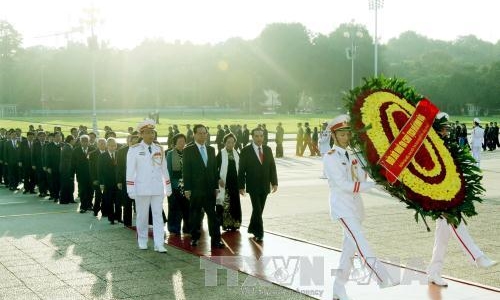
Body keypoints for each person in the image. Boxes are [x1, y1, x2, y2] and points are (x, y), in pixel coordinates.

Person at [324, 114, 398, 300]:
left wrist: (380, 176)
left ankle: (338, 288)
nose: (345, 137)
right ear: (333, 135)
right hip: (342, 208)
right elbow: (342, 185)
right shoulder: (330, 157)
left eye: (348, 133)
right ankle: (382, 277)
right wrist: (372, 185)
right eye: (341, 134)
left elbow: (365, 175)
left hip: (356, 207)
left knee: (349, 250)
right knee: (360, 241)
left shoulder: (354, 154)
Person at [427, 113, 497, 287]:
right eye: (443, 128)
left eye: (447, 128)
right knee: (456, 224)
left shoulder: (447, 146)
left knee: (441, 239)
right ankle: (478, 257)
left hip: (450, 194)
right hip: (439, 198)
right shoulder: (430, 148)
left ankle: (434, 272)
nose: (446, 131)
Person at [126, 119, 172, 253]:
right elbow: (130, 171)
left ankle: (159, 243)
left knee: (158, 216)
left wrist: (167, 186)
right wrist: (130, 189)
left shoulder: (159, 149)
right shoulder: (134, 150)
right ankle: (142, 240)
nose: (151, 135)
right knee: (142, 216)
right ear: (141, 134)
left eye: (152, 132)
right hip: (141, 188)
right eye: (147, 133)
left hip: (157, 188)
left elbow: (164, 169)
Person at [182, 124, 224, 248]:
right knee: (195, 215)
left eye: (204, 133)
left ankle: (216, 239)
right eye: (199, 133)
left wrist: (216, 186)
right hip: (195, 189)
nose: (202, 135)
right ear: (194, 135)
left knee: (213, 216)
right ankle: (195, 237)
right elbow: (186, 171)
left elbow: (213, 170)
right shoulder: (188, 150)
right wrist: (187, 189)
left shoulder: (211, 149)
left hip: (210, 189)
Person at [238, 127, 278, 242]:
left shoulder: (268, 149)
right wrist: (241, 186)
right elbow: (241, 170)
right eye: (256, 136)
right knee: (257, 208)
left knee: (259, 210)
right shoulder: (246, 151)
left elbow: (272, 167)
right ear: (252, 137)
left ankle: (252, 228)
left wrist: (274, 182)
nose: (259, 138)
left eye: (261, 136)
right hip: (253, 185)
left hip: (265, 185)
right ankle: (260, 233)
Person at [216, 133, 242, 231]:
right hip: (224, 184)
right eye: (228, 142)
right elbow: (215, 168)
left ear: (235, 143)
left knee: (234, 204)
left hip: (235, 184)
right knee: (225, 204)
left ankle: (235, 224)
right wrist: (218, 179)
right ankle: (225, 224)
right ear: (225, 143)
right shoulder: (221, 154)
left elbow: (241, 169)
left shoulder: (237, 154)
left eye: (232, 142)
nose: (230, 144)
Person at [166, 133, 190, 235]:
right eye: (179, 142)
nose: (182, 144)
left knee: (187, 208)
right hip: (175, 185)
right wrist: (169, 186)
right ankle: (173, 229)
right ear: (175, 143)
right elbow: (168, 171)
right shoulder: (170, 154)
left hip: (187, 186)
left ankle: (188, 228)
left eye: (183, 141)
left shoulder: (188, 152)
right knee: (174, 208)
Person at [116, 133, 139, 227]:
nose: (133, 143)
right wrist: (119, 181)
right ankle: (127, 223)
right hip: (127, 181)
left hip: (139, 181)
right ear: (128, 142)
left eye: (135, 141)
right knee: (127, 202)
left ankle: (140, 223)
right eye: (131, 141)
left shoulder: (141, 150)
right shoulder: (121, 151)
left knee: (139, 203)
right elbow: (119, 167)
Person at [59, 135, 76, 204]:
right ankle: (65, 200)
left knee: (68, 185)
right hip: (67, 170)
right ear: (71, 140)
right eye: (74, 140)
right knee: (67, 185)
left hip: (65, 169)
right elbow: (70, 160)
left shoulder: (67, 147)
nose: (75, 141)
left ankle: (69, 199)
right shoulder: (68, 148)